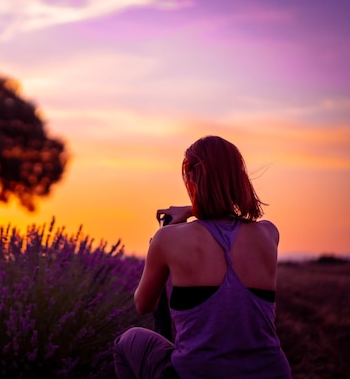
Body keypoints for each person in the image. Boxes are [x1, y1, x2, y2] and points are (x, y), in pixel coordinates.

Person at [113, 135, 291, 379]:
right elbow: (226, 218)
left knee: (127, 340)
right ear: (239, 178)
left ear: (191, 176)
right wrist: (196, 208)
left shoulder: (167, 238)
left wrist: (180, 218)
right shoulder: (268, 234)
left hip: (198, 374)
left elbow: (144, 305)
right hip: (273, 373)